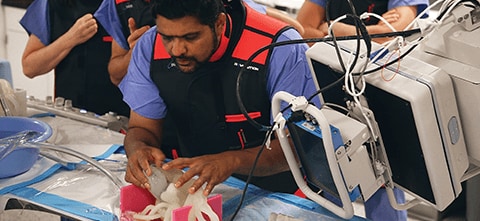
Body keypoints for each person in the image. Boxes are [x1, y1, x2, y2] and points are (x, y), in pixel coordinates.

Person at [119, 0, 319, 196]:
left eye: (191, 37)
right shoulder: (149, 46)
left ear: (219, 24)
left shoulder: (281, 48)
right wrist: (139, 149)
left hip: (278, 193)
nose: (177, 50)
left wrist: (231, 161)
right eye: (167, 37)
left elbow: (302, 146)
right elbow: (142, 128)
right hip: (196, 187)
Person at [94, 0, 304, 86]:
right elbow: (115, 75)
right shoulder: (119, 5)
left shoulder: (215, 5)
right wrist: (140, 51)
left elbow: (294, 30)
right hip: (155, 116)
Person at [20, 0, 130, 117]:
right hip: (69, 116)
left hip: (120, 118)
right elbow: (29, 67)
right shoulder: (49, 4)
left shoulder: (125, 5)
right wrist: (72, 37)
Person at [296, 0, 429, 44]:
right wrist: (371, 32)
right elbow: (301, 34)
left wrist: (335, 30)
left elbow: (391, 36)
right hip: (328, 67)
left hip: (377, 73)